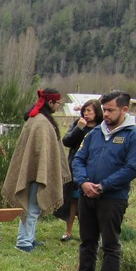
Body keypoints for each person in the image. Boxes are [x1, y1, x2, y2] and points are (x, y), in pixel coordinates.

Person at [67, 91, 136, 271]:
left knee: (110, 244)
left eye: (111, 110)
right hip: (87, 195)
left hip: (113, 198)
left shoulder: (135, 137)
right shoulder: (94, 134)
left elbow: (131, 169)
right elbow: (78, 159)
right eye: (105, 109)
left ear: (125, 109)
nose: (107, 114)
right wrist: (83, 182)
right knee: (87, 240)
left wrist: (103, 186)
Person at [1, 88, 71, 252]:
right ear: (50, 102)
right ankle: (24, 242)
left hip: (37, 169)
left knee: (34, 207)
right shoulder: (40, 122)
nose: (58, 106)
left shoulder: (41, 119)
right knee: (31, 207)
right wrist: (40, 169)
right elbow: (38, 152)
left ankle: (29, 238)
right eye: (57, 103)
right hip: (34, 171)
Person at [60, 99, 101, 241]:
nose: (86, 113)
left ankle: (91, 233)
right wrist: (79, 129)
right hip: (76, 167)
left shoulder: (102, 127)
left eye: (90, 110)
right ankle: (68, 231)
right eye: (85, 110)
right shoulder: (78, 124)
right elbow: (66, 141)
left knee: (91, 202)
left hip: (94, 169)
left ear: (97, 112)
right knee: (74, 200)